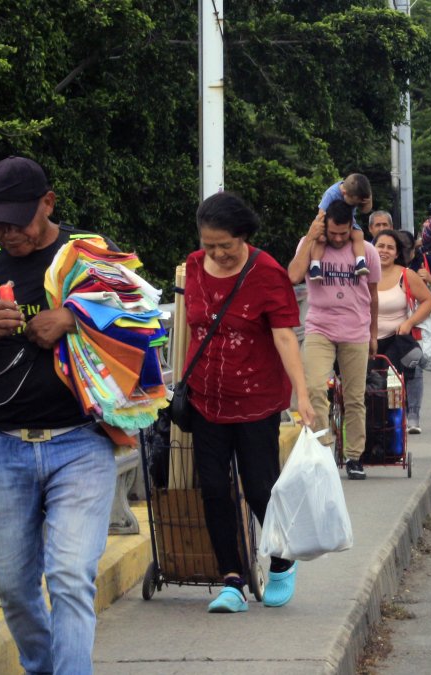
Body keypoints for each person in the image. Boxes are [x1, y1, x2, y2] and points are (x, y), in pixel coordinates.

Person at [0, 156, 118, 673]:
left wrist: (71, 315)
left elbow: (140, 323)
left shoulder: (87, 256)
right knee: (16, 590)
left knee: (68, 576)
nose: (7, 231)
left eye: (17, 219)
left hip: (81, 441)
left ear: (48, 203)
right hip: (2, 445)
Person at [182, 192, 316, 613]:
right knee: (214, 490)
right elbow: (193, 328)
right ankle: (232, 580)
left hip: (257, 400)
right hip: (206, 398)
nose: (217, 254)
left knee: (261, 489)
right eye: (210, 246)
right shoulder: (192, 266)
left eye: (226, 245)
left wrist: (303, 395)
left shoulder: (267, 272)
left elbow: (283, 337)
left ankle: (280, 561)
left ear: (244, 236)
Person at [288, 200, 381, 480]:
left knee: (354, 397)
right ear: (324, 227)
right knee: (315, 388)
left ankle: (354, 456)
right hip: (320, 327)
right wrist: (311, 236)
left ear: (351, 227)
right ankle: (323, 450)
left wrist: (374, 334)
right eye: (333, 234)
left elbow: (374, 296)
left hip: (356, 329)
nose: (338, 239)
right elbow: (292, 276)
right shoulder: (311, 243)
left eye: (343, 233)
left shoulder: (367, 251)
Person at [373, 229, 431, 393]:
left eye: (390, 248)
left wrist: (410, 322)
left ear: (397, 253)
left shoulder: (406, 275)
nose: (384, 251)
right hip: (364, 340)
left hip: (396, 340)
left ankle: (404, 414)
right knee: (366, 391)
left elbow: (428, 301)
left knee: (390, 388)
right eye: (380, 246)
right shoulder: (361, 275)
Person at [395, 230, 431, 434]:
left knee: (414, 369)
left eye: (406, 248)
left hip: (415, 327)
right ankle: (395, 415)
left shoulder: (424, 261)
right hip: (386, 329)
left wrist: (429, 278)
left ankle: (413, 415)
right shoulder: (378, 266)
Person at [307, 174, 373, 280]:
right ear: (344, 193)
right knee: (321, 240)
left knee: (359, 234)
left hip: (348, 223)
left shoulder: (355, 195)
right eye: (354, 203)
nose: (355, 205)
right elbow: (321, 214)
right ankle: (315, 266)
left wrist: (369, 200)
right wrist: (320, 231)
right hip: (328, 222)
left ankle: (360, 262)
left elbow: (365, 210)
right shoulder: (331, 194)